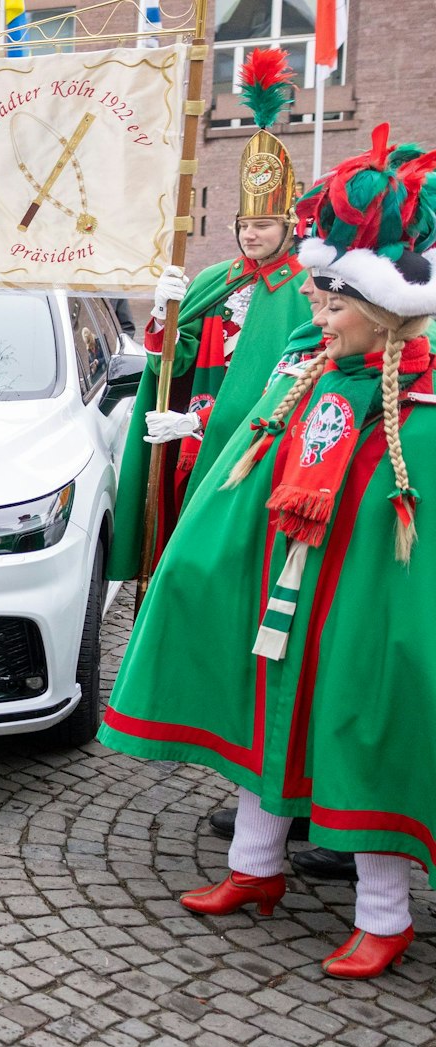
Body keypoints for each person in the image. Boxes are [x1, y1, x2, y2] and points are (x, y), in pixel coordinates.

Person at [100, 125, 436, 979]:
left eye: (336, 305)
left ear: (386, 303)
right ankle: (255, 869)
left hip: (364, 607)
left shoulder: (424, 405)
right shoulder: (309, 372)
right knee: (265, 710)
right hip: (286, 587)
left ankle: (384, 915)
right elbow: (245, 476)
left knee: (363, 728)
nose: (319, 316)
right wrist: (196, 563)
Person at [114, 49, 316, 588]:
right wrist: (164, 317)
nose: (252, 234)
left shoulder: (306, 289)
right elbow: (173, 363)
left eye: (265, 224)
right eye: (245, 223)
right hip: (191, 441)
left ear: (289, 226)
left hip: (249, 444)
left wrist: (204, 423)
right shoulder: (215, 281)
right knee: (178, 543)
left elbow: (291, 390)